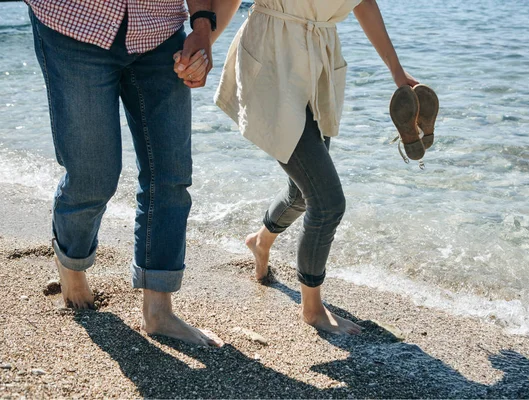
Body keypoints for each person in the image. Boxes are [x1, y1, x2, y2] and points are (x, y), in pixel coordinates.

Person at [26, 0, 240, 346]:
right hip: (72, 24)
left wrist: (203, 30)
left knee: (170, 176)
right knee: (93, 176)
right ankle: (72, 263)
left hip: (161, 29)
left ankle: (159, 310)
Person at [214, 0, 419, 334]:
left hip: (317, 61)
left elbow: (363, 2)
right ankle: (312, 309)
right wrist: (202, 47)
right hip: (271, 60)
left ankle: (260, 241)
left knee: (301, 191)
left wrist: (396, 70)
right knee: (327, 203)